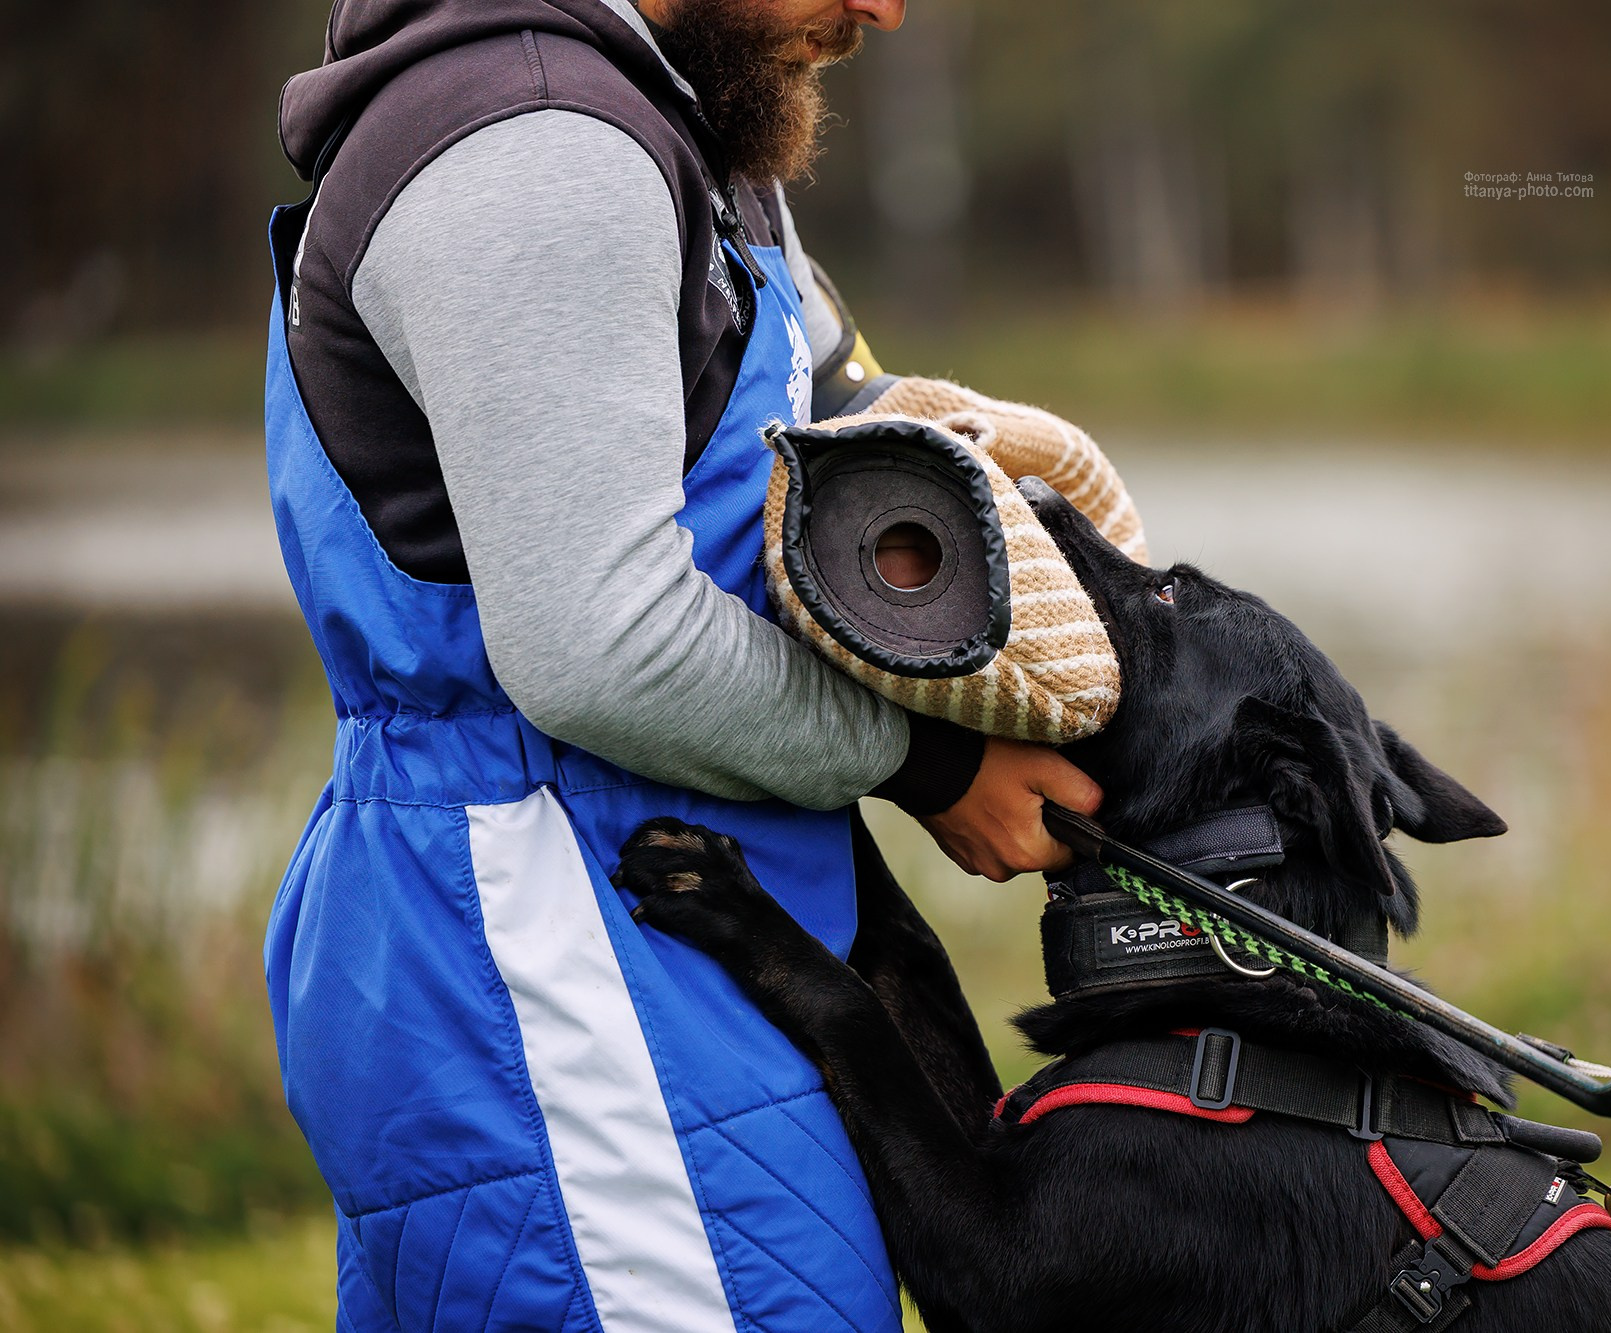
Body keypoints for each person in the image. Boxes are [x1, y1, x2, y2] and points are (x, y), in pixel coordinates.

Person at [262, 0, 1100, 1327]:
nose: (886, 8)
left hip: (665, 949)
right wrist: (935, 761)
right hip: (567, 961)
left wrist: (992, 486)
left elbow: (805, 417)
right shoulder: (539, 140)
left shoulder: (679, 114)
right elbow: (597, 641)